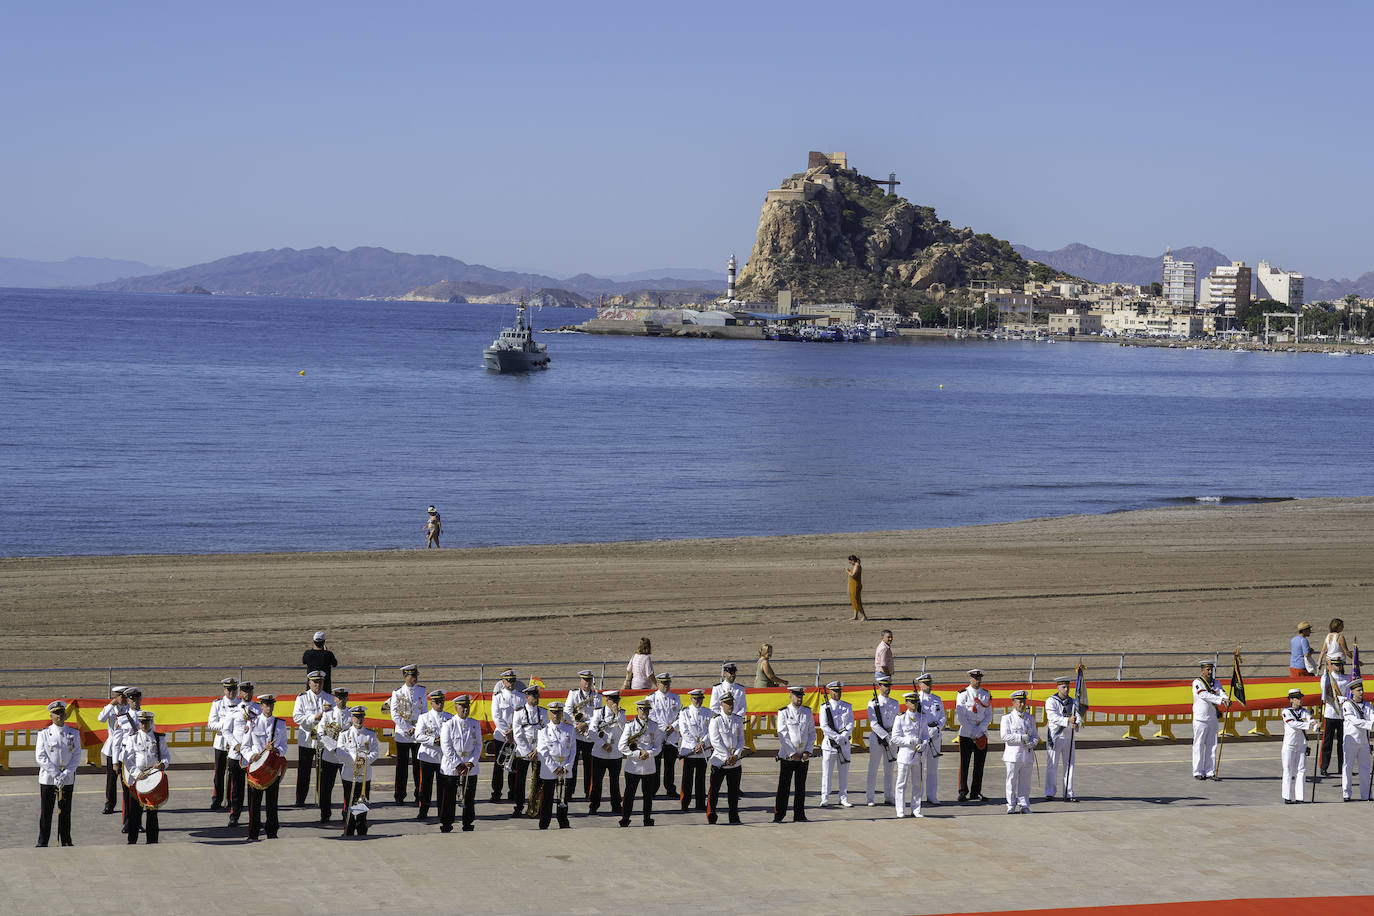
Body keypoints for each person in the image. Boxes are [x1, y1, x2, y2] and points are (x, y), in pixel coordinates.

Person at [121, 709, 170, 844]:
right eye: (142, 722)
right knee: (135, 813)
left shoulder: (159, 738)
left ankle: (152, 841)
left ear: (151, 722)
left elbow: (166, 756)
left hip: (153, 778)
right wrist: (137, 774)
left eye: (147, 722)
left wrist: (163, 764)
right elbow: (128, 759)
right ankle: (132, 841)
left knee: (152, 813)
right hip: (138, 778)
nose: (144, 725)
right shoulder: (133, 738)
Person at [242, 696, 287, 841]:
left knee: (272, 802)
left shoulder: (280, 724)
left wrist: (276, 749)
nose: (269, 707)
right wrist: (251, 756)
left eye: (271, 704)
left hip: (272, 767)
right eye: (266, 704)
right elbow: (244, 746)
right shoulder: (253, 723)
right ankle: (253, 832)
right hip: (256, 768)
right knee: (254, 803)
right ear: (261, 706)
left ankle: (272, 831)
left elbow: (284, 746)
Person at [36, 700, 79, 847]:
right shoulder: (44, 734)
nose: (59, 715)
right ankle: (42, 841)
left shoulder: (73, 733)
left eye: (61, 712)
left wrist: (66, 773)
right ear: (51, 716)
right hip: (48, 778)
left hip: (67, 777)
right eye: (56, 713)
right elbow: (40, 756)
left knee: (65, 811)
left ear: (65, 714)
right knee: (46, 812)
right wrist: (56, 773)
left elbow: (76, 755)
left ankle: (66, 840)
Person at [617, 697, 663, 827]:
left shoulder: (654, 725)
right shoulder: (630, 725)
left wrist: (649, 753)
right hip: (634, 766)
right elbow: (622, 746)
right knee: (629, 794)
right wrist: (637, 754)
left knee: (648, 795)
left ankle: (647, 819)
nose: (645, 712)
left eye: (647, 710)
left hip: (649, 766)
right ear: (637, 710)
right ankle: (625, 818)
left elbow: (658, 745)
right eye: (642, 710)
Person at [438, 694, 481, 832]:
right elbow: (446, 746)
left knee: (469, 796)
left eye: (467, 706)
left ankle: (468, 822)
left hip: (469, 766)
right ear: (456, 707)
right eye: (462, 707)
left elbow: (479, 745)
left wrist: (471, 762)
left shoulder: (474, 724)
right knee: (449, 797)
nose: (465, 710)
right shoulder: (449, 724)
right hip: (452, 766)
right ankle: (446, 823)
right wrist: (458, 764)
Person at [774, 686, 815, 822]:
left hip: (803, 755)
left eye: (801, 696)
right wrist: (792, 753)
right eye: (797, 696)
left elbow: (811, 733)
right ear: (791, 696)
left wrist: (808, 751)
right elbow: (783, 735)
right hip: (788, 756)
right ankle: (779, 815)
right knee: (784, 788)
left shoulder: (807, 712)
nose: (799, 698)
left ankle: (799, 814)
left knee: (800, 787)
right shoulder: (784, 712)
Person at [339, 705, 380, 836]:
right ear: (351, 718)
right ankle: (349, 828)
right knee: (349, 803)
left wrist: (364, 760)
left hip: (364, 775)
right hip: (349, 774)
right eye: (356, 717)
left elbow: (375, 752)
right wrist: (354, 760)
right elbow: (340, 752)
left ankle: (361, 828)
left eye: (361, 717)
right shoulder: (344, 734)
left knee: (362, 802)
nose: (359, 720)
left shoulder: (371, 734)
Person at [536, 701, 577, 829]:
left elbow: (573, 750)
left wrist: (567, 766)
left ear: (562, 713)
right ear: (550, 713)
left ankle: (563, 822)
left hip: (565, 767)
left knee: (563, 798)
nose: (556, 715)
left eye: (559, 712)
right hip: (549, 769)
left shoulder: (569, 729)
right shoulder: (543, 731)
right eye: (553, 712)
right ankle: (544, 823)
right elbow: (543, 751)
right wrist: (554, 768)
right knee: (547, 799)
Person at [291, 671, 329, 808]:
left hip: (323, 742)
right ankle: (300, 799)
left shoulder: (329, 699)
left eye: (320, 682)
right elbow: (297, 718)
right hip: (307, 740)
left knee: (322, 772)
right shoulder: (302, 698)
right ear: (309, 683)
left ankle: (322, 800)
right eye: (315, 682)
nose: (317, 685)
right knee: (303, 772)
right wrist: (313, 718)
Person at [390, 664, 426, 806]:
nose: (414, 679)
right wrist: (408, 728)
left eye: (416, 676)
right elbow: (395, 714)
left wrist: (417, 728)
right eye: (412, 676)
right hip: (403, 734)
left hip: (418, 734)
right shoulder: (398, 692)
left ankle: (419, 794)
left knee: (419, 766)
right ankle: (399, 795)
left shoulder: (421, 691)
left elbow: (424, 711)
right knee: (402, 767)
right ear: (405, 676)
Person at [510, 685, 549, 817]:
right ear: (527, 697)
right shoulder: (519, 713)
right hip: (523, 750)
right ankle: (519, 806)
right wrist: (527, 751)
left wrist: (538, 750)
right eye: (534, 696)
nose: (536, 698)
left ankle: (535, 806)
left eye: (537, 696)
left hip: (538, 750)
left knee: (538, 780)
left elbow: (546, 733)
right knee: (519, 780)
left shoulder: (543, 712)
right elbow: (518, 734)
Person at [707, 692, 744, 824]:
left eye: (732, 702)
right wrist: (727, 756)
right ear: (721, 704)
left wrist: (736, 755)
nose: (730, 705)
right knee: (714, 790)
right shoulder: (715, 720)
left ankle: (734, 815)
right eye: (727, 703)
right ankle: (711, 813)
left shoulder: (738, 719)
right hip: (720, 761)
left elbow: (741, 740)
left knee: (734, 791)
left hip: (735, 762)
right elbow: (715, 741)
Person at [414, 689, 451, 819]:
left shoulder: (450, 717)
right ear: (431, 703)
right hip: (427, 756)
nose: (440, 704)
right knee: (425, 786)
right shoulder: (424, 717)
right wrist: (433, 741)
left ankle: (442, 811)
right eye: (437, 702)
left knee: (443, 787)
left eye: (442, 701)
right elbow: (418, 735)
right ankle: (423, 810)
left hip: (443, 757)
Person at [955, 669, 992, 802]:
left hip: (981, 732)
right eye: (975, 678)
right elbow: (961, 715)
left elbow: (988, 715)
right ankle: (963, 791)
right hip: (966, 732)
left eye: (979, 678)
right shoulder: (963, 694)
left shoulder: (985, 694)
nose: (978, 680)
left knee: (979, 765)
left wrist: (980, 729)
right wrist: (972, 730)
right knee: (964, 763)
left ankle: (976, 792)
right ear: (970, 678)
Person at [892, 691, 930, 818]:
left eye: (916, 702)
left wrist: (924, 744)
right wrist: (909, 741)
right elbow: (895, 738)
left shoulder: (922, 717)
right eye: (912, 702)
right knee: (901, 783)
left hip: (918, 755)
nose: (915, 704)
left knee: (917, 783)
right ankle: (900, 809)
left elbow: (926, 735)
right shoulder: (900, 717)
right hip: (905, 754)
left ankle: (916, 809)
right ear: (906, 703)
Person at [488, 669, 524, 802]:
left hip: (516, 736)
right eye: (508, 680)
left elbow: (523, 716)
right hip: (501, 736)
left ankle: (513, 792)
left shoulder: (522, 696)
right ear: (503, 681)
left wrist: (514, 732)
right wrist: (506, 732)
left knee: (514, 766)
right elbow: (496, 716)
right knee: (499, 766)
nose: (511, 683)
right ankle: (496, 792)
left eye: (513, 680)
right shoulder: (498, 696)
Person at [565, 670, 602, 799]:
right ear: (580, 681)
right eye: (585, 680)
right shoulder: (573, 694)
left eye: (589, 681)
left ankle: (589, 792)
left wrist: (585, 724)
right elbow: (567, 711)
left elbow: (598, 715)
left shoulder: (597, 696)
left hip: (589, 734)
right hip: (575, 734)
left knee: (589, 766)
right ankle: (568, 792)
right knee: (572, 764)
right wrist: (577, 724)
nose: (587, 683)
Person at [1000, 689, 1039, 814]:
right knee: (1011, 781)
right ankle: (1010, 805)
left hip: (1027, 755)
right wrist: (1021, 738)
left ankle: (1024, 804)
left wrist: (1032, 742)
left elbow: (1035, 736)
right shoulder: (1007, 718)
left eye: (1024, 702)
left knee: (1025, 782)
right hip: (1013, 755)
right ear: (1013, 703)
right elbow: (1005, 736)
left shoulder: (1030, 718)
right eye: (1019, 702)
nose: (1022, 705)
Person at [221, 681, 254, 827]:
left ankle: (254, 816)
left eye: (249, 691)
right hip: (237, 755)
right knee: (237, 789)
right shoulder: (233, 710)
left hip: (253, 756)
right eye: (244, 691)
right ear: (240, 693)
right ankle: (234, 815)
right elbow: (226, 730)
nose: (247, 694)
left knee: (254, 789)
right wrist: (236, 745)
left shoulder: (258, 709)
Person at [589, 689, 626, 815]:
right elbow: (592, 732)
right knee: (597, 782)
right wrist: (602, 744)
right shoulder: (599, 713)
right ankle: (594, 805)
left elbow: (625, 730)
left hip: (615, 753)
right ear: (606, 700)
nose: (614, 703)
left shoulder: (621, 713)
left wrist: (617, 715)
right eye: (612, 700)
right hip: (600, 753)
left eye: (616, 700)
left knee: (614, 782)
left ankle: (616, 806)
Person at [1044, 675, 1081, 802]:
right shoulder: (1051, 700)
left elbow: (1078, 715)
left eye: (1067, 687)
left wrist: (1077, 723)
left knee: (1070, 765)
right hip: (1055, 736)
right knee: (1052, 765)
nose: (1066, 689)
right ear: (1058, 687)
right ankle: (1050, 792)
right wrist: (1067, 720)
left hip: (1069, 737)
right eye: (1063, 687)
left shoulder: (1073, 701)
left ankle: (1068, 792)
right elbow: (1052, 717)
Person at [818, 680, 855, 807]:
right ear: (829, 691)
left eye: (839, 691)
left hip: (844, 743)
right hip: (829, 744)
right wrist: (836, 737)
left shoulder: (847, 706)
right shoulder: (824, 707)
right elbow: (824, 726)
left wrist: (843, 736)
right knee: (827, 773)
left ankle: (843, 797)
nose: (837, 693)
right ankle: (825, 797)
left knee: (844, 772)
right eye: (835, 691)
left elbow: (850, 723)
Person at [318, 688, 351, 823]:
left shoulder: (352, 714)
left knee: (348, 787)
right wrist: (333, 747)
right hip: (330, 756)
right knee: (326, 788)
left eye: (344, 697)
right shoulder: (328, 714)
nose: (341, 700)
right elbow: (320, 733)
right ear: (335, 699)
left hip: (346, 757)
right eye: (339, 698)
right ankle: (325, 814)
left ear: (347, 698)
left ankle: (347, 812)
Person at [1191, 660, 1228, 780]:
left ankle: (1210, 771)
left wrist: (1226, 699)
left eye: (1211, 669)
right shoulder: (1197, 683)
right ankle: (1197, 771)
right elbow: (1203, 695)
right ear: (1202, 670)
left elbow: (1222, 692)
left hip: (1212, 718)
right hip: (1200, 719)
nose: (1210, 672)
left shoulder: (1216, 682)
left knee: (1212, 746)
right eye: (1208, 669)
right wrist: (1220, 700)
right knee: (1199, 745)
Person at [677, 688, 712, 812]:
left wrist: (702, 743)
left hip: (703, 750)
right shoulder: (684, 712)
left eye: (700, 698)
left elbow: (711, 731)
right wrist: (695, 745)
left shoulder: (708, 712)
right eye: (695, 698)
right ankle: (685, 803)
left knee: (701, 779)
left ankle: (700, 803)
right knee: (687, 779)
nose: (698, 701)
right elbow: (684, 731)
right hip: (689, 751)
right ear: (691, 699)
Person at [97, 685, 130, 816]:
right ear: (116, 697)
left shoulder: (129, 708)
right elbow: (101, 718)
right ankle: (109, 804)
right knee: (111, 779)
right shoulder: (111, 709)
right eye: (120, 697)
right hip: (112, 748)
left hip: (126, 748)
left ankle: (128, 805)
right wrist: (111, 704)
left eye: (125, 697)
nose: (123, 699)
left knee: (126, 779)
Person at [207, 677, 239, 811]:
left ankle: (232, 799)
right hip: (221, 742)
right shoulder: (217, 704)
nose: (231, 692)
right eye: (229, 689)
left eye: (234, 689)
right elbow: (211, 724)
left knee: (234, 773)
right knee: (219, 774)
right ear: (224, 690)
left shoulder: (241, 704)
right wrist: (225, 725)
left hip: (235, 743)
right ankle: (217, 799)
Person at [866, 676, 898, 806]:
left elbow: (897, 722)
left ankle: (889, 796)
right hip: (877, 738)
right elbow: (873, 723)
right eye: (884, 686)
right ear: (880, 687)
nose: (887, 688)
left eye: (889, 686)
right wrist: (886, 736)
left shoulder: (894, 703)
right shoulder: (872, 703)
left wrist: (893, 737)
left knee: (889, 769)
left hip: (891, 738)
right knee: (873, 769)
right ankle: (870, 798)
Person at [648, 672, 681, 798]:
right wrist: (663, 728)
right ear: (657, 684)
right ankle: (653, 789)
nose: (666, 685)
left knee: (670, 764)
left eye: (668, 683)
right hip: (658, 735)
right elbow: (651, 716)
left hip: (672, 736)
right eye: (663, 683)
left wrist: (674, 726)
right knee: (655, 764)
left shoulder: (675, 697)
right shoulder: (650, 698)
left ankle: (670, 788)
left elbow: (680, 715)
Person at [1280, 688, 1315, 803]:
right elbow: (1293, 723)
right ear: (1291, 700)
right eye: (1297, 698)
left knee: (1302, 770)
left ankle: (1300, 797)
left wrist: (1315, 724)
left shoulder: (1305, 711)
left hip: (1301, 744)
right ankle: (1287, 796)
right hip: (1289, 744)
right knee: (1288, 770)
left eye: (1300, 698)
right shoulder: (1286, 711)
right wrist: (1309, 725)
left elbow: (1311, 720)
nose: (1300, 700)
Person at [1342, 679, 1373, 802]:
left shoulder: (1367, 705)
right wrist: (1370, 725)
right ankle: (1346, 793)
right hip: (1351, 740)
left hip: (1364, 741)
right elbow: (1354, 721)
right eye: (1358, 690)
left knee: (1365, 768)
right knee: (1347, 767)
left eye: (1362, 690)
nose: (1361, 692)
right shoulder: (1347, 705)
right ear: (1352, 692)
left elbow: (1372, 716)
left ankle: (1366, 794)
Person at [916, 673, 945, 807]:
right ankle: (918, 795)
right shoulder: (917, 700)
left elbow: (942, 717)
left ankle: (932, 795)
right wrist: (925, 731)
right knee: (919, 768)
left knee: (933, 768)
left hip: (935, 736)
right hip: (923, 736)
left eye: (930, 683)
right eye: (926, 683)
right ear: (920, 685)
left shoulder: (937, 699)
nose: (929, 686)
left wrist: (937, 728)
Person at [1320, 657, 1350, 777]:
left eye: (1340, 665)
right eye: (1336, 665)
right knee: (1327, 742)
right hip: (1331, 713)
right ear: (1331, 665)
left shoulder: (1347, 678)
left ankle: (1342, 766)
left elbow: (1350, 694)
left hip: (1343, 714)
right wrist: (1339, 699)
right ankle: (1324, 767)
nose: (1338, 667)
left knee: (1343, 743)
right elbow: (1327, 695)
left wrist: (1345, 699)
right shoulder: (1326, 678)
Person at [847, 554, 867, 621]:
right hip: (853, 585)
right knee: (853, 600)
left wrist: (848, 571)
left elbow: (853, 575)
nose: (850, 563)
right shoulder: (856, 565)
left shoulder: (857, 566)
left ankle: (864, 616)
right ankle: (855, 616)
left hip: (856, 585)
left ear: (852, 560)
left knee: (856, 601)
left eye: (850, 561)